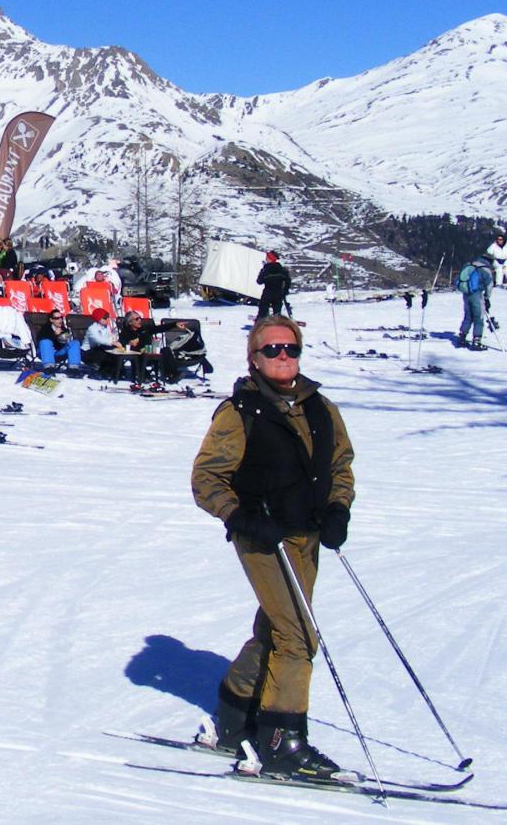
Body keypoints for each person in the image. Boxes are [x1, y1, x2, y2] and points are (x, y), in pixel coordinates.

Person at [190, 315, 354, 778]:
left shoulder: (321, 407)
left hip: (308, 536)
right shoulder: (240, 412)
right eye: (271, 350)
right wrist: (240, 517)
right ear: (253, 358)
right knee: (299, 637)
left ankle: (233, 715)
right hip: (264, 539)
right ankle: (283, 740)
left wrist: (338, 509)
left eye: (291, 349)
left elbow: (340, 464)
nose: (283, 357)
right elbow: (206, 479)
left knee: (277, 630)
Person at [455, 254, 493, 350]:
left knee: (468, 316)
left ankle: (462, 337)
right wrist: (487, 298)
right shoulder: (485, 269)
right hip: (477, 294)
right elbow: (489, 285)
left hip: (466, 294)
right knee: (478, 318)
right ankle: (476, 341)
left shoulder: (468, 265)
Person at [34, 308, 82, 374]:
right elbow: (40, 342)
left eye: (61, 317)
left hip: (58, 353)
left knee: (75, 343)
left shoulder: (64, 330)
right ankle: (49, 367)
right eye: (57, 318)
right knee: (45, 341)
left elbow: (64, 344)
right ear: (51, 320)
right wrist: (54, 335)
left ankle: (73, 368)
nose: (60, 320)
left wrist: (64, 338)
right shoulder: (45, 329)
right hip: (45, 353)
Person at [81, 308, 121, 379]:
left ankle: (112, 372)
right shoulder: (92, 328)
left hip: (99, 350)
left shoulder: (107, 327)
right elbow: (98, 340)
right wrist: (112, 342)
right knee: (102, 352)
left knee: (113, 352)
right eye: (105, 318)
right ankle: (96, 371)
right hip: (87, 352)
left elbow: (109, 338)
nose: (107, 319)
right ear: (99, 319)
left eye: (107, 317)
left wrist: (114, 340)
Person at [256, 251, 292, 318]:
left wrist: (262, 272)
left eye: (267, 257)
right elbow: (288, 281)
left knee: (262, 311)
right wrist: (285, 291)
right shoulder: (282, 270)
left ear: (270, 259)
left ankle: (261, 323)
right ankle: (277, 324)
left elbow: (259, 281)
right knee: (277, 313)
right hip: (278, 293)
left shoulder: (265, 269)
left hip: (267, 293)